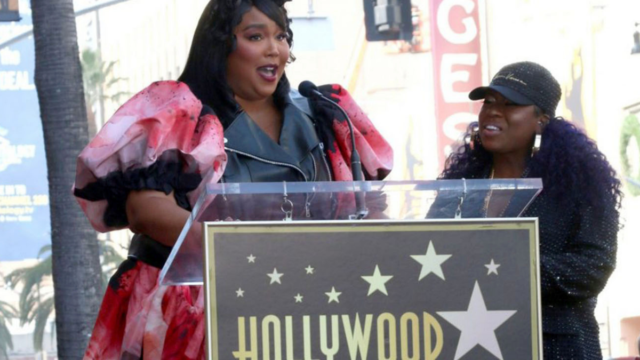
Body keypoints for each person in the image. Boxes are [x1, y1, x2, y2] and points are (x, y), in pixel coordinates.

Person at [72, 0, 393, 358]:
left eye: (282, 36)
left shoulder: (321, 113)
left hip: (308, 309)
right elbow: (144, 210)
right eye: (256, 36)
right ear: (221, 44)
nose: (275, 49)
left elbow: (366, 211)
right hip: (199, 315)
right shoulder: (181, 115)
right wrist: (242, 260)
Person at [434, 61, 622, 359]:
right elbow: (430, 251)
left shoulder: (579, 184)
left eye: (511, 104)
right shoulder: (461, 185)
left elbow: (594, 265)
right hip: (468, 343)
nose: (493, 111)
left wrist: (506, 270)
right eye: (489, 102)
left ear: (541, 120)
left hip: (555, 345)